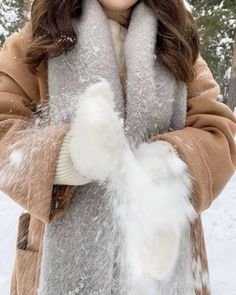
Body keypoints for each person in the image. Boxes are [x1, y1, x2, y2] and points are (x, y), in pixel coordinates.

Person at [0, 0, 235, 294]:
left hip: (164, 265)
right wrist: (69, 155)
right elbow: (4, 127)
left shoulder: (178, 38)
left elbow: (218, 131)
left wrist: (170, 166)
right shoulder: (37, 36)